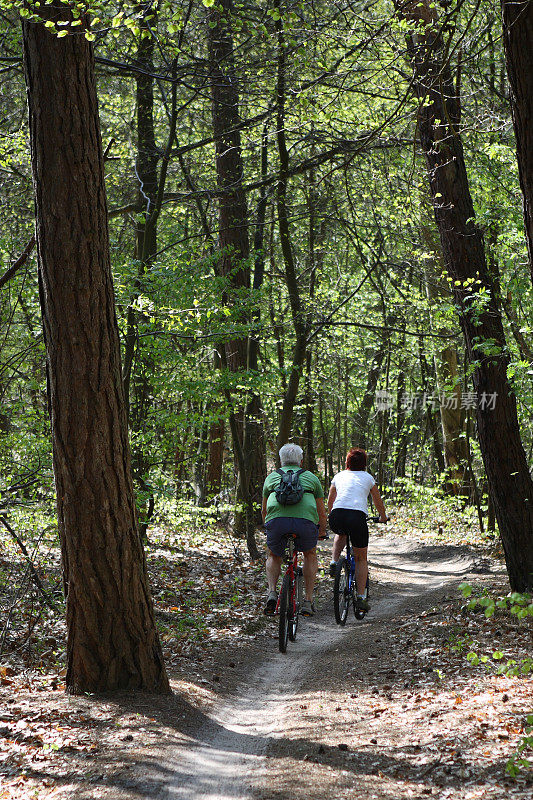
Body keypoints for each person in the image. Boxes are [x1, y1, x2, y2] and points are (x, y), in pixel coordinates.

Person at [262, 443, 327, 617]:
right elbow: (321, 511)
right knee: (309, 554)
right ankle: (307, 600)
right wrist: (322, 531)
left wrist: (268, 529)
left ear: (281, 460)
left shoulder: (271, 478)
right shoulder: (311, 478)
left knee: (273, 555)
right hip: (305, 523)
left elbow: (264, 511)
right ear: (301, 460)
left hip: (277, 522)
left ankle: (272, 592)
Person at [327, 447, 387, 612]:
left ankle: (334, 562)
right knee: (361, 559)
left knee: (341, 532)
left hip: (337, 516)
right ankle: (360, 598)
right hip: (357, 518)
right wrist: (382, 516)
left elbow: (330, 500)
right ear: (364, 464)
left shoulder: (338, 476)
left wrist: (330, 514)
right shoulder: (368, 478)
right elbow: (377, 500)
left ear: (347, 462)